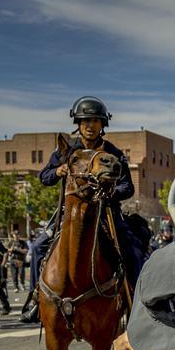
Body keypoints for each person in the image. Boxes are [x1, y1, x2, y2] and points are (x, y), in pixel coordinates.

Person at [27, 96, 147, 322]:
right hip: (69, 214)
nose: (90, 126)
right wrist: (58, 171)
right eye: (85, 121)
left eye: (94, 121)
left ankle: (139, 301)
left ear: (103, 125)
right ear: (78, 124)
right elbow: (44, 177)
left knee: (132, 249)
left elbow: (127, 187)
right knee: (36, 248)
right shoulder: (66, 150)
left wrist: (111, 192)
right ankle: (35, 299)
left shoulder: (113, 153)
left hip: (105, 213)